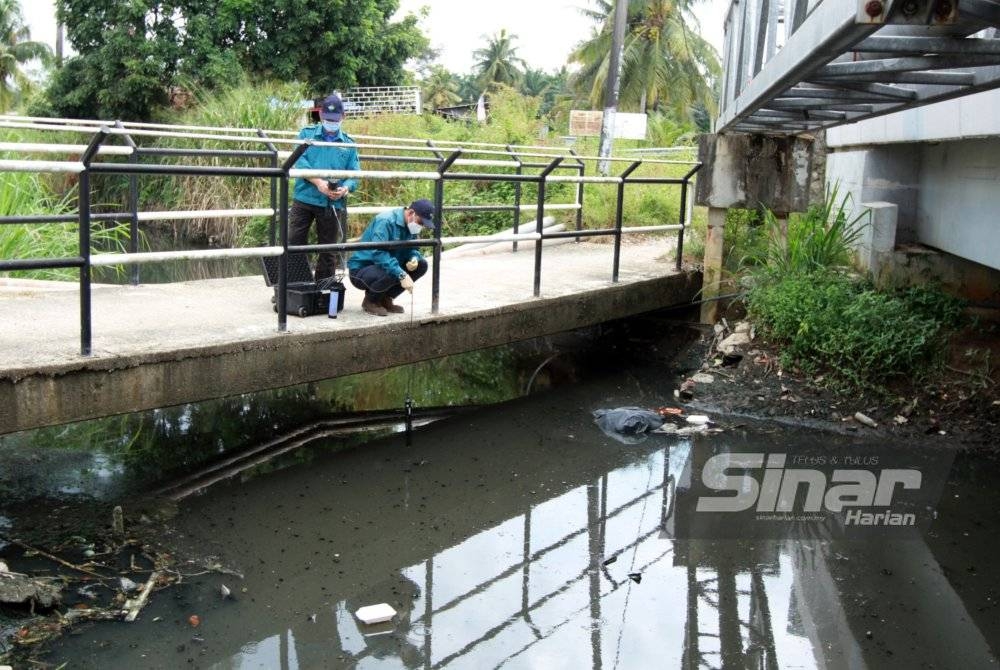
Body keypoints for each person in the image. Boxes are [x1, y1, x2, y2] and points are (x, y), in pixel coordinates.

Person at [291, 93, 361, 282]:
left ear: (343, 117)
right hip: (304, 198)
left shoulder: (349, 144)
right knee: (294, 242)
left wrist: (345, 189)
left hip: (331, 204)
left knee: (328, 249)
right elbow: (299, 161)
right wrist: (319, 182)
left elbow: (354, 174)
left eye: (335, 119)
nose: (331, 123)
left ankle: (324, 289)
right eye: (328, 119)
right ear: (321, 115)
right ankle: (294, 286)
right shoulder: (306, 135)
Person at [348, 199, 435, 316]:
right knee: (391, 270)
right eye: (420, 222)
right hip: (362, 269)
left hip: (385, 266)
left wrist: (414, 258)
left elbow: (412, 248)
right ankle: (370, 301)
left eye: (423, 224)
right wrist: (402, 274)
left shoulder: (411, 225)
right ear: (411, 213)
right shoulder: (385, 221)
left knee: (421, 265)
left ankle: (385, 298)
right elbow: (378, 253)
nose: (421, 226)